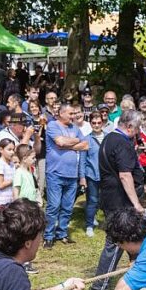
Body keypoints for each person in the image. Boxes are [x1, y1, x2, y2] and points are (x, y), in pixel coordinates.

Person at [86, 110, 146, 290]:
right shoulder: (121, 143)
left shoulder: (109, 138)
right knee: (116, 241)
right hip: (119, 199)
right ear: (129, 126)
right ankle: (98, 288)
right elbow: (125, 175)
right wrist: (136, 203)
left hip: (111, 196)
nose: (138, 132)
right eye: (137, 128)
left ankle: (137, 279)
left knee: (134, 237)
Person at [44, 104, 89, 248]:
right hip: (55, 173)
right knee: (53, 206)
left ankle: (62, 233)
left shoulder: (75, 128)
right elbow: (60, 142)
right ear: (61, 113)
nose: (73, 116)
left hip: (72, 174)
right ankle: (48, 236)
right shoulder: (52, 125)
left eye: (74, 113)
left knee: (67, 206)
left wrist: (67, 144)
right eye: (70, 114)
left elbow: (86, 145)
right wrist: (74, 141)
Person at [80, 111, 105, 238]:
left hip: (106, 175)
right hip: (92, 174)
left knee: (104, 200)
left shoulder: (108, 137)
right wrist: (82, 177)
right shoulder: (86, 139)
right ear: (90, 124)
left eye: (99, 122)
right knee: (92, 200)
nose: (96, 125)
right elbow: (82, 160)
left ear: (102, 123)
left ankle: (103, 220)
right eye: (94, 123)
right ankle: (89, 225)